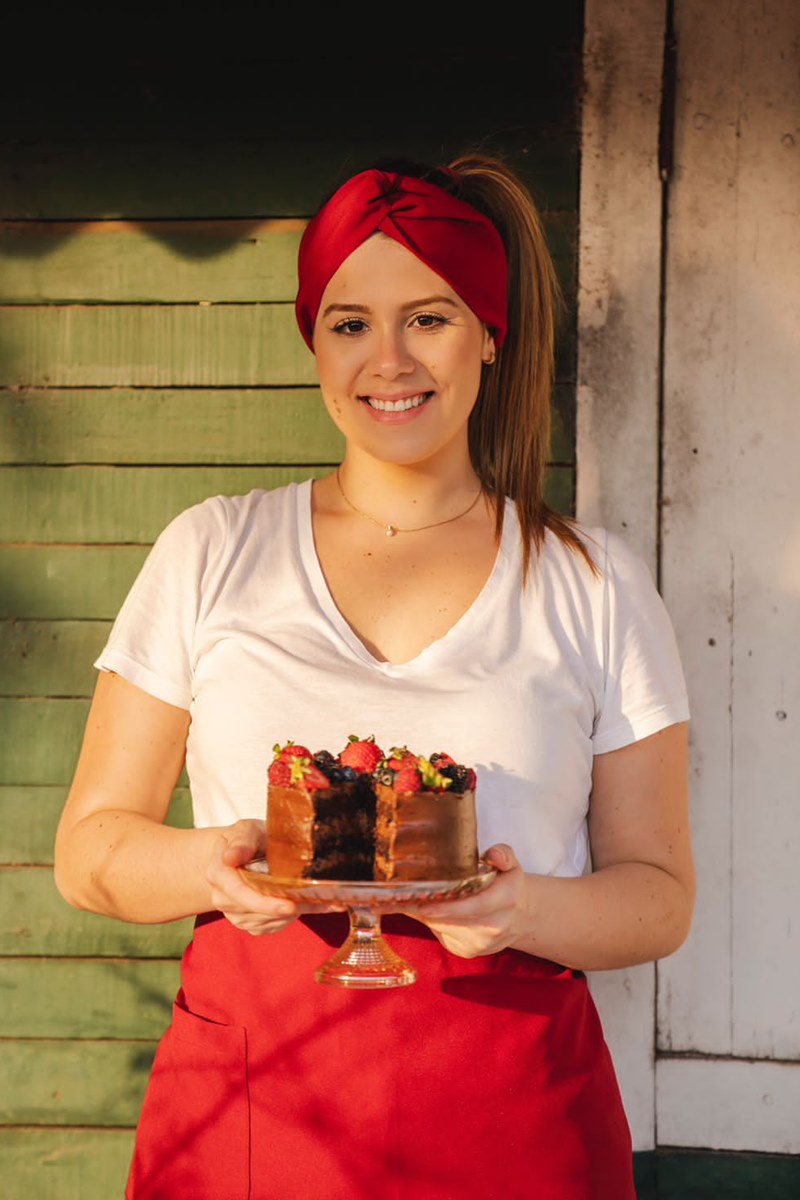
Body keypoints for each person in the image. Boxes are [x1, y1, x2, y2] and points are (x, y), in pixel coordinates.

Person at [54, 152, 695, 1200]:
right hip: (254, 1109)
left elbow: (656, 898)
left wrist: (518, 910)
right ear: (312, 342)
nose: (386, 359)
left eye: (428, 318)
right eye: (349, 322)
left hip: (508, 1118)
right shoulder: (210, 551)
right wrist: (211, 870)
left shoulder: (591, 583)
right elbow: (89, 852)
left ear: (490, 333)